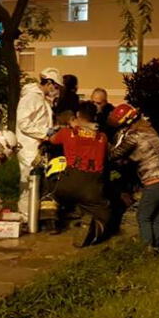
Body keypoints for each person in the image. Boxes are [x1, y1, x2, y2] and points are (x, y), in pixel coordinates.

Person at [108, 104, 159, 251]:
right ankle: (157, 247)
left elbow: (115, 155)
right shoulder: (151, 132)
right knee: (158, 217)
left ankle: (147, 250)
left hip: (154, 181)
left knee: (143, 216)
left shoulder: (134, 136)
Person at [48, 102, 110, 247]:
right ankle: (91, 228)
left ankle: (50, 218)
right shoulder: (103, 137)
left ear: (77, 116)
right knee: (104, 214)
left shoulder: (67, 133)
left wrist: (68, 126)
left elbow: (51, 139)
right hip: (92, 186)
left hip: (67, 184)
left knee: (51, 191)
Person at [16, 68, 63, 221]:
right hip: (28, 148)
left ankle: (32, 216)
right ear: (49, 83)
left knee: (35, 182)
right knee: (29, 183)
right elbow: (23, 123)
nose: (56, 91)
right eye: (56, 87)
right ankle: (26, 217)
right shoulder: (32, 97)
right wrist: (45, 132)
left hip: (37, 147)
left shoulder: (41, 98)